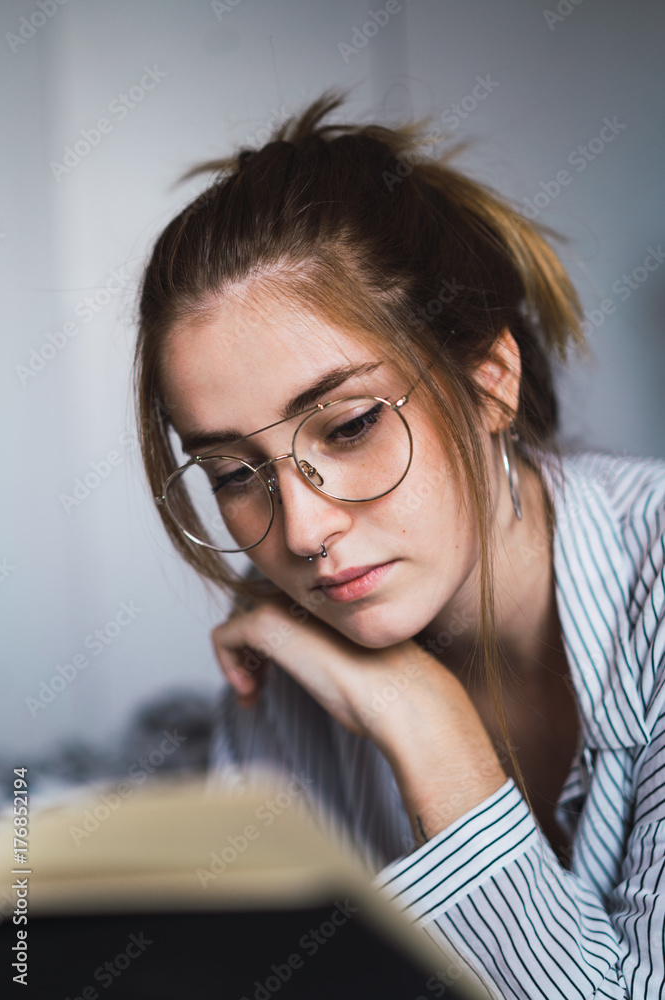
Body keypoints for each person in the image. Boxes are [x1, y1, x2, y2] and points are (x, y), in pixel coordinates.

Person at [133, 92, 665, 998]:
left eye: (346, 427)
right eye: (232, 473)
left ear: (489, 378)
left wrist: (428, 726)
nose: (302, 533)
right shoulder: (285, 676)